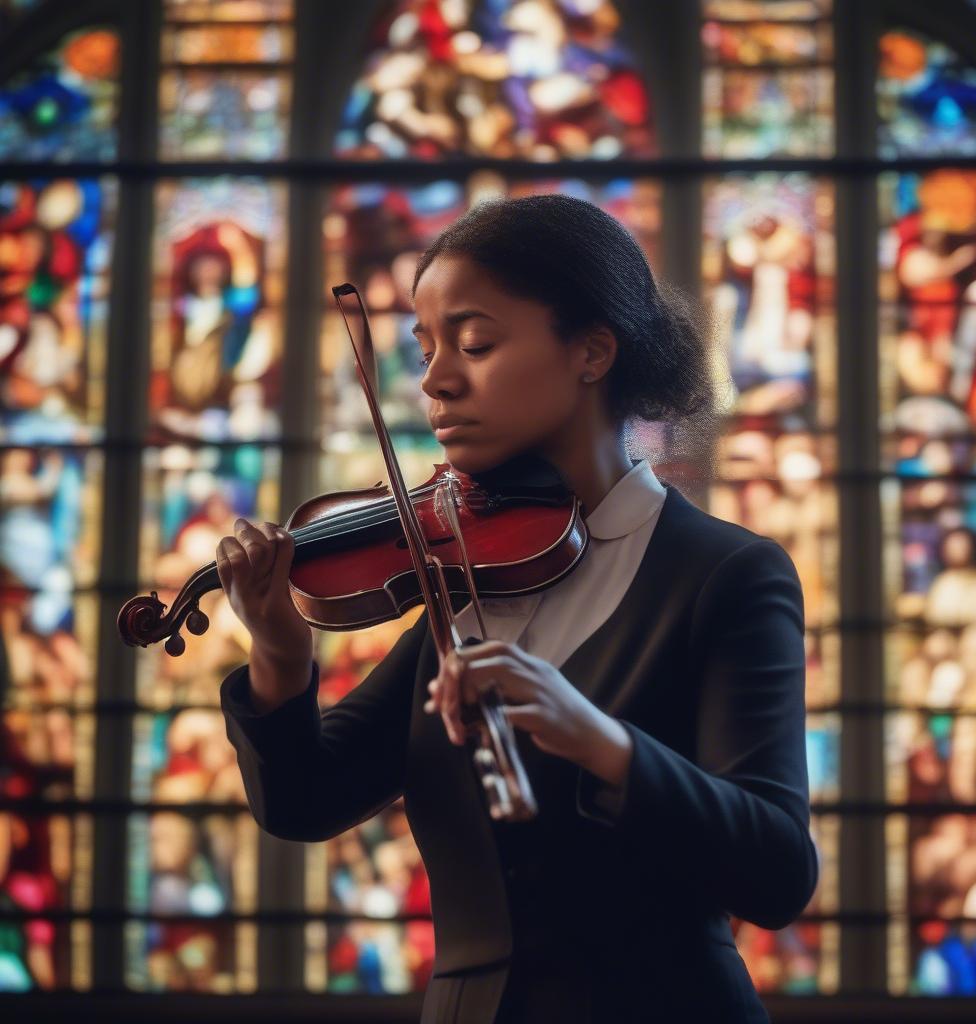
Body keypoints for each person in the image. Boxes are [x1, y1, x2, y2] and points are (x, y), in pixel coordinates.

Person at [217, 194, 818, 1022]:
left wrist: (597, 738)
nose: (434, 380)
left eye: (476, 343)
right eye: (425, 349)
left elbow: (778, 871)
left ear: (592, 352)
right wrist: (280, 650)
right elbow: (303, 801)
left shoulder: (726, 575)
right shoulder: (458, 582)